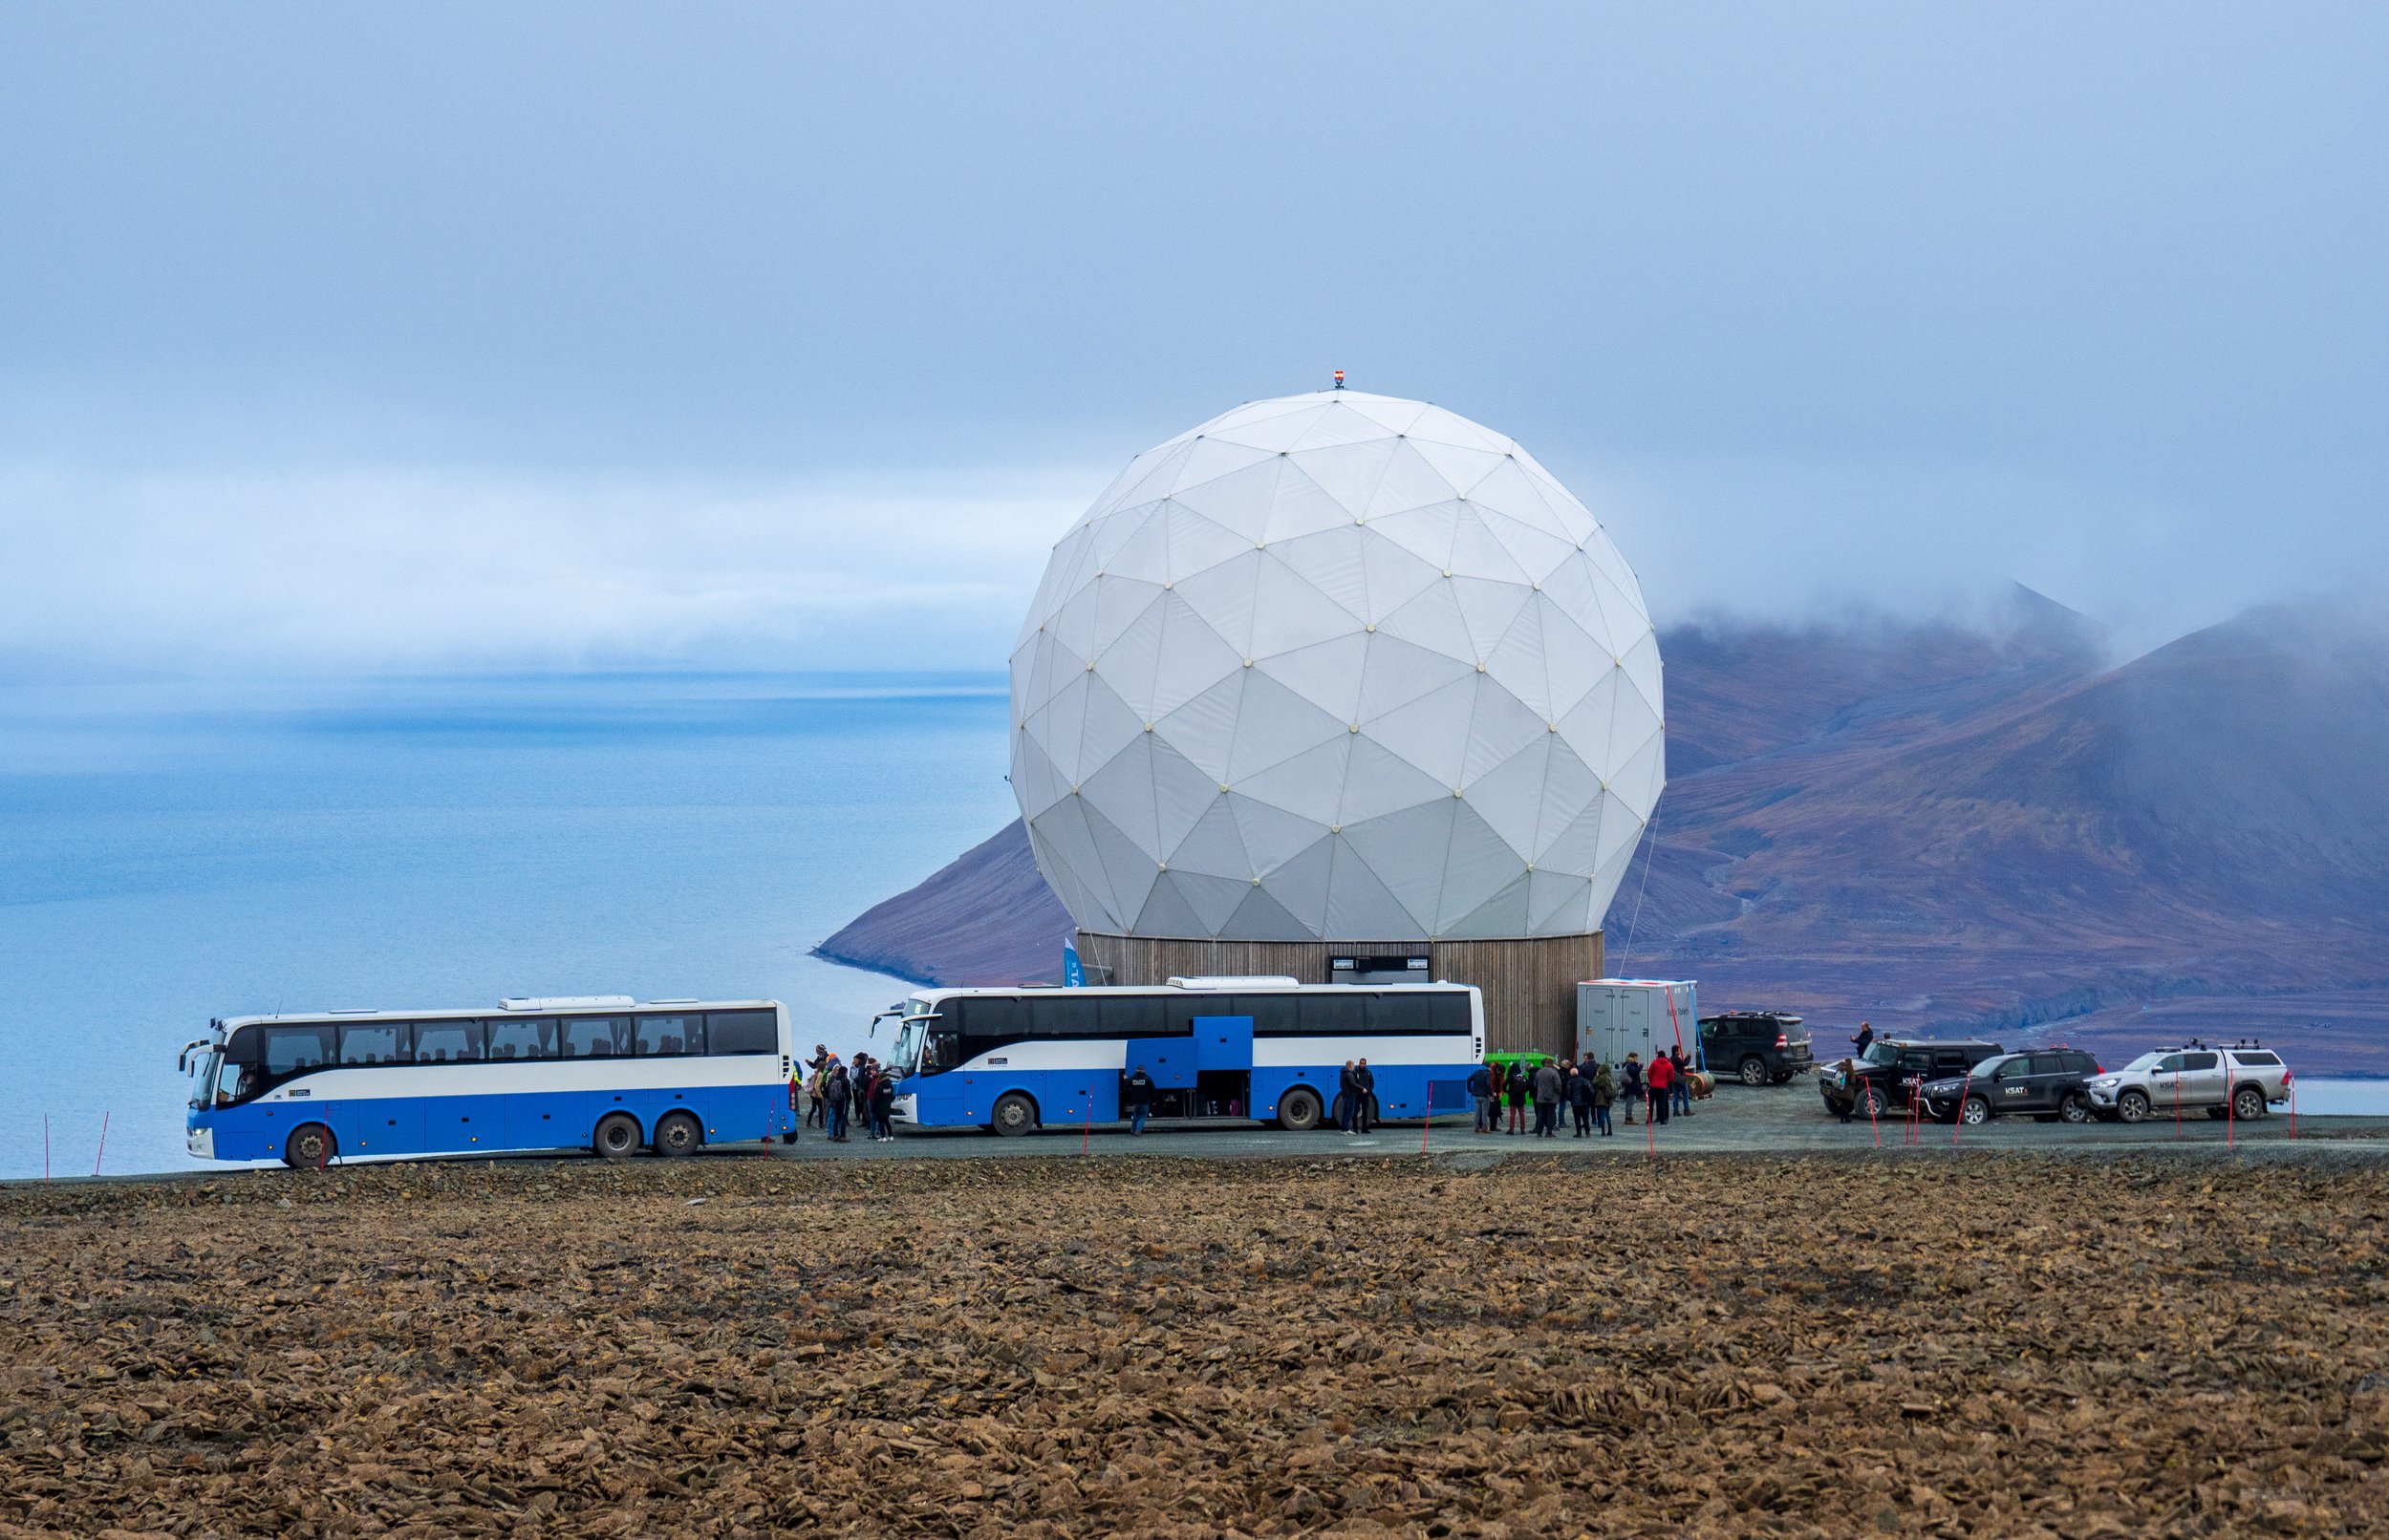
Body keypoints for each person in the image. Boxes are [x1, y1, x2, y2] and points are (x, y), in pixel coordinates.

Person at [1532, 1059, 1561, 1137]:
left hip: (1541, 1097)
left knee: (1541, 1114)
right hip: (1552, 1098)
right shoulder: (1554, 1072)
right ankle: (1549, 1132)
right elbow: (1558, 1085)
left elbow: (1535, 1084)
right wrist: (1559, 1093)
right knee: (1550, 1114)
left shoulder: (1539, 1072)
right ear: (1552, 1064)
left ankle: (1539, 1131)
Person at [825, 1059, 851, 1143]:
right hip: (843, 1102)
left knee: (836, 1118)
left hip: (836, 1101)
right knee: (843, 1118)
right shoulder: (845, 1080)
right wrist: (849, 1100)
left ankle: (835, 1135)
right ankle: (842, 1136)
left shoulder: (835, 1078)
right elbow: (848, 1093)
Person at [1125, 1064, 1154, 1136]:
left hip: (1136, 1101)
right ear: (1143, 1070)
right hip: (1145, 1101)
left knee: (1136, 1115)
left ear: (1137, 1070)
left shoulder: (1132, 1078)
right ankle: (1138, 1131)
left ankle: (1132, 1129)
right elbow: (1153, 1090)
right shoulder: (1147, 1078)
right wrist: (1154, 1100)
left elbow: (1126, 1087)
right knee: (1143, 1116)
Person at [1646, 1047, 1673, 1125]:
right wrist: (1666, 1082)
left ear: (1658, 1055)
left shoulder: (1654, 1063)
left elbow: (1649, 1073)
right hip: (1663, 1087)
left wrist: (1652, 1080)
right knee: (1662, 1103)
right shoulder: (1669, 1065)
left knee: (1650, 1103)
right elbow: (1671, 1077)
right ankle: (1662, 1120)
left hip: (1653, 1086)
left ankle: (1649, 1120)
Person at [1468, 1059, 1496, 1133]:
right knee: (1484, 1113)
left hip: (1477, 1096)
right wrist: (1491, 1094)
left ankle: (1476, 1128)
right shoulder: (1487, 1073)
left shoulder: (1476, 1072)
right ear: (1488, 1067)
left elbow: (1468, 1080)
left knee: (1477, 1112)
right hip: (1484, 1096)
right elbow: (1487, 1084)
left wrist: (1469, 1091)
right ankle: (1484, 1128)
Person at [869, 1068, 896, 1141]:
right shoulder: (890, 1086)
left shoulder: (879, 1086)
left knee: (880, 1121)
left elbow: (876, 1098)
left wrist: (873, 1108)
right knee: (887, 1121)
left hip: (880, 1106)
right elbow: (892, 1096)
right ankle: (891, 1136)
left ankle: (883, 1136)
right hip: (887, 1105)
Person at [1568, 1061, 1594, 1137]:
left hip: (1575, 1103)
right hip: (1585, 1102)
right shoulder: (1584, 1080)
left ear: (1571, 1074)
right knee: (1586, 1118)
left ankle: (1579, 1133)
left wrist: (1570, 1099)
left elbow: (1568, 1092)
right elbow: (1590, 1089)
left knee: (1577, 1119)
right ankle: (1587, 1132)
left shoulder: (1570, 1081)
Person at [1504, 1060, 1530, 1134]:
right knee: (1522, 1114)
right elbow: (1530, 1086)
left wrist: (1507, 1091)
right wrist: (1524, 1091)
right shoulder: (1523, 1077)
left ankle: (1511, 1130)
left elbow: (1504, 1085)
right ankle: (1522, 1130)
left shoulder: (1511, 1077)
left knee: (1512, 1114)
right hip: (1521, 1098)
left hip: (1513, 1098)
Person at [1352, 1059, 1376, 1134]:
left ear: (1366, 1064)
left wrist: (1369, 1091)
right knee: (1355, 1111)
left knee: (1365, 1112)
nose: (1362, 1065)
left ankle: (1364, 1129)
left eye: (1364, 1064)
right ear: (1359, 1063)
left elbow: (1372, 1083)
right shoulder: (1355, 1072)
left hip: (1366, 1095)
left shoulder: (1368, 1072)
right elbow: (1353, 1083)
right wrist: (1358, 1090)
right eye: (1361, 1063)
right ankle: (1355, 1129)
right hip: (1358, 1095)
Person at [1670, 1045, 1694, 1118]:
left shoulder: (1672, 1059)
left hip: (1674, 1079)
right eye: (1679, 1050)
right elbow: (1685, 1064)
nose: (1680, 1052)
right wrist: (1689, 1057)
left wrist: (1686, 1057)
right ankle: (1686, 1110)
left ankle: (1676, 1111)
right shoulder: (1677, 1059)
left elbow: (1682, 1063)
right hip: (1681, 1079)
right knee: (1685, 1095)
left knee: (1676, 1095)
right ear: (1676, 1051)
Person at [1592, 1060, 1615, 1136]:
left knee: (1602, 1114)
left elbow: (1594, 1082)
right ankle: (1610, 1130)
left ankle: (1603, 1131)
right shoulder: (1610, 1077)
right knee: (1607, 1114)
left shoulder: (1601, 1078)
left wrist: (1597, 1075)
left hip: (1601, 1097)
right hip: (1609, 1098)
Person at [1620, 1055, 1642, 1123]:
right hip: (1631, 1086)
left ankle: (1628, 1117)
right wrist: (1640, 1066)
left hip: (1628, 1086)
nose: (1636, 1059)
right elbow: (1634, 1072)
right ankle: (1629, 1118)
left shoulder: (1627, 1065)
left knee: (1629, 1102)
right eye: (1635, 1058)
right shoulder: (1629, 1066)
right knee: (1630, 1103)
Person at [1338, 1060, 1359, 1134]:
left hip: (1344, 1095)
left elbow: (1341, 1085)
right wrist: (1362, 1089)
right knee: (1349, 1113)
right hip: (1350, 1095)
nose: (1354, 1067)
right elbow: (1353, 1084)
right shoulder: (1349, 1074)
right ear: (1350, 1066)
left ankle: (1343, 1129)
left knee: (1344, 1112)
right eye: (1353, 1065)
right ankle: (1346, 1129)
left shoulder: (1342, 1074)